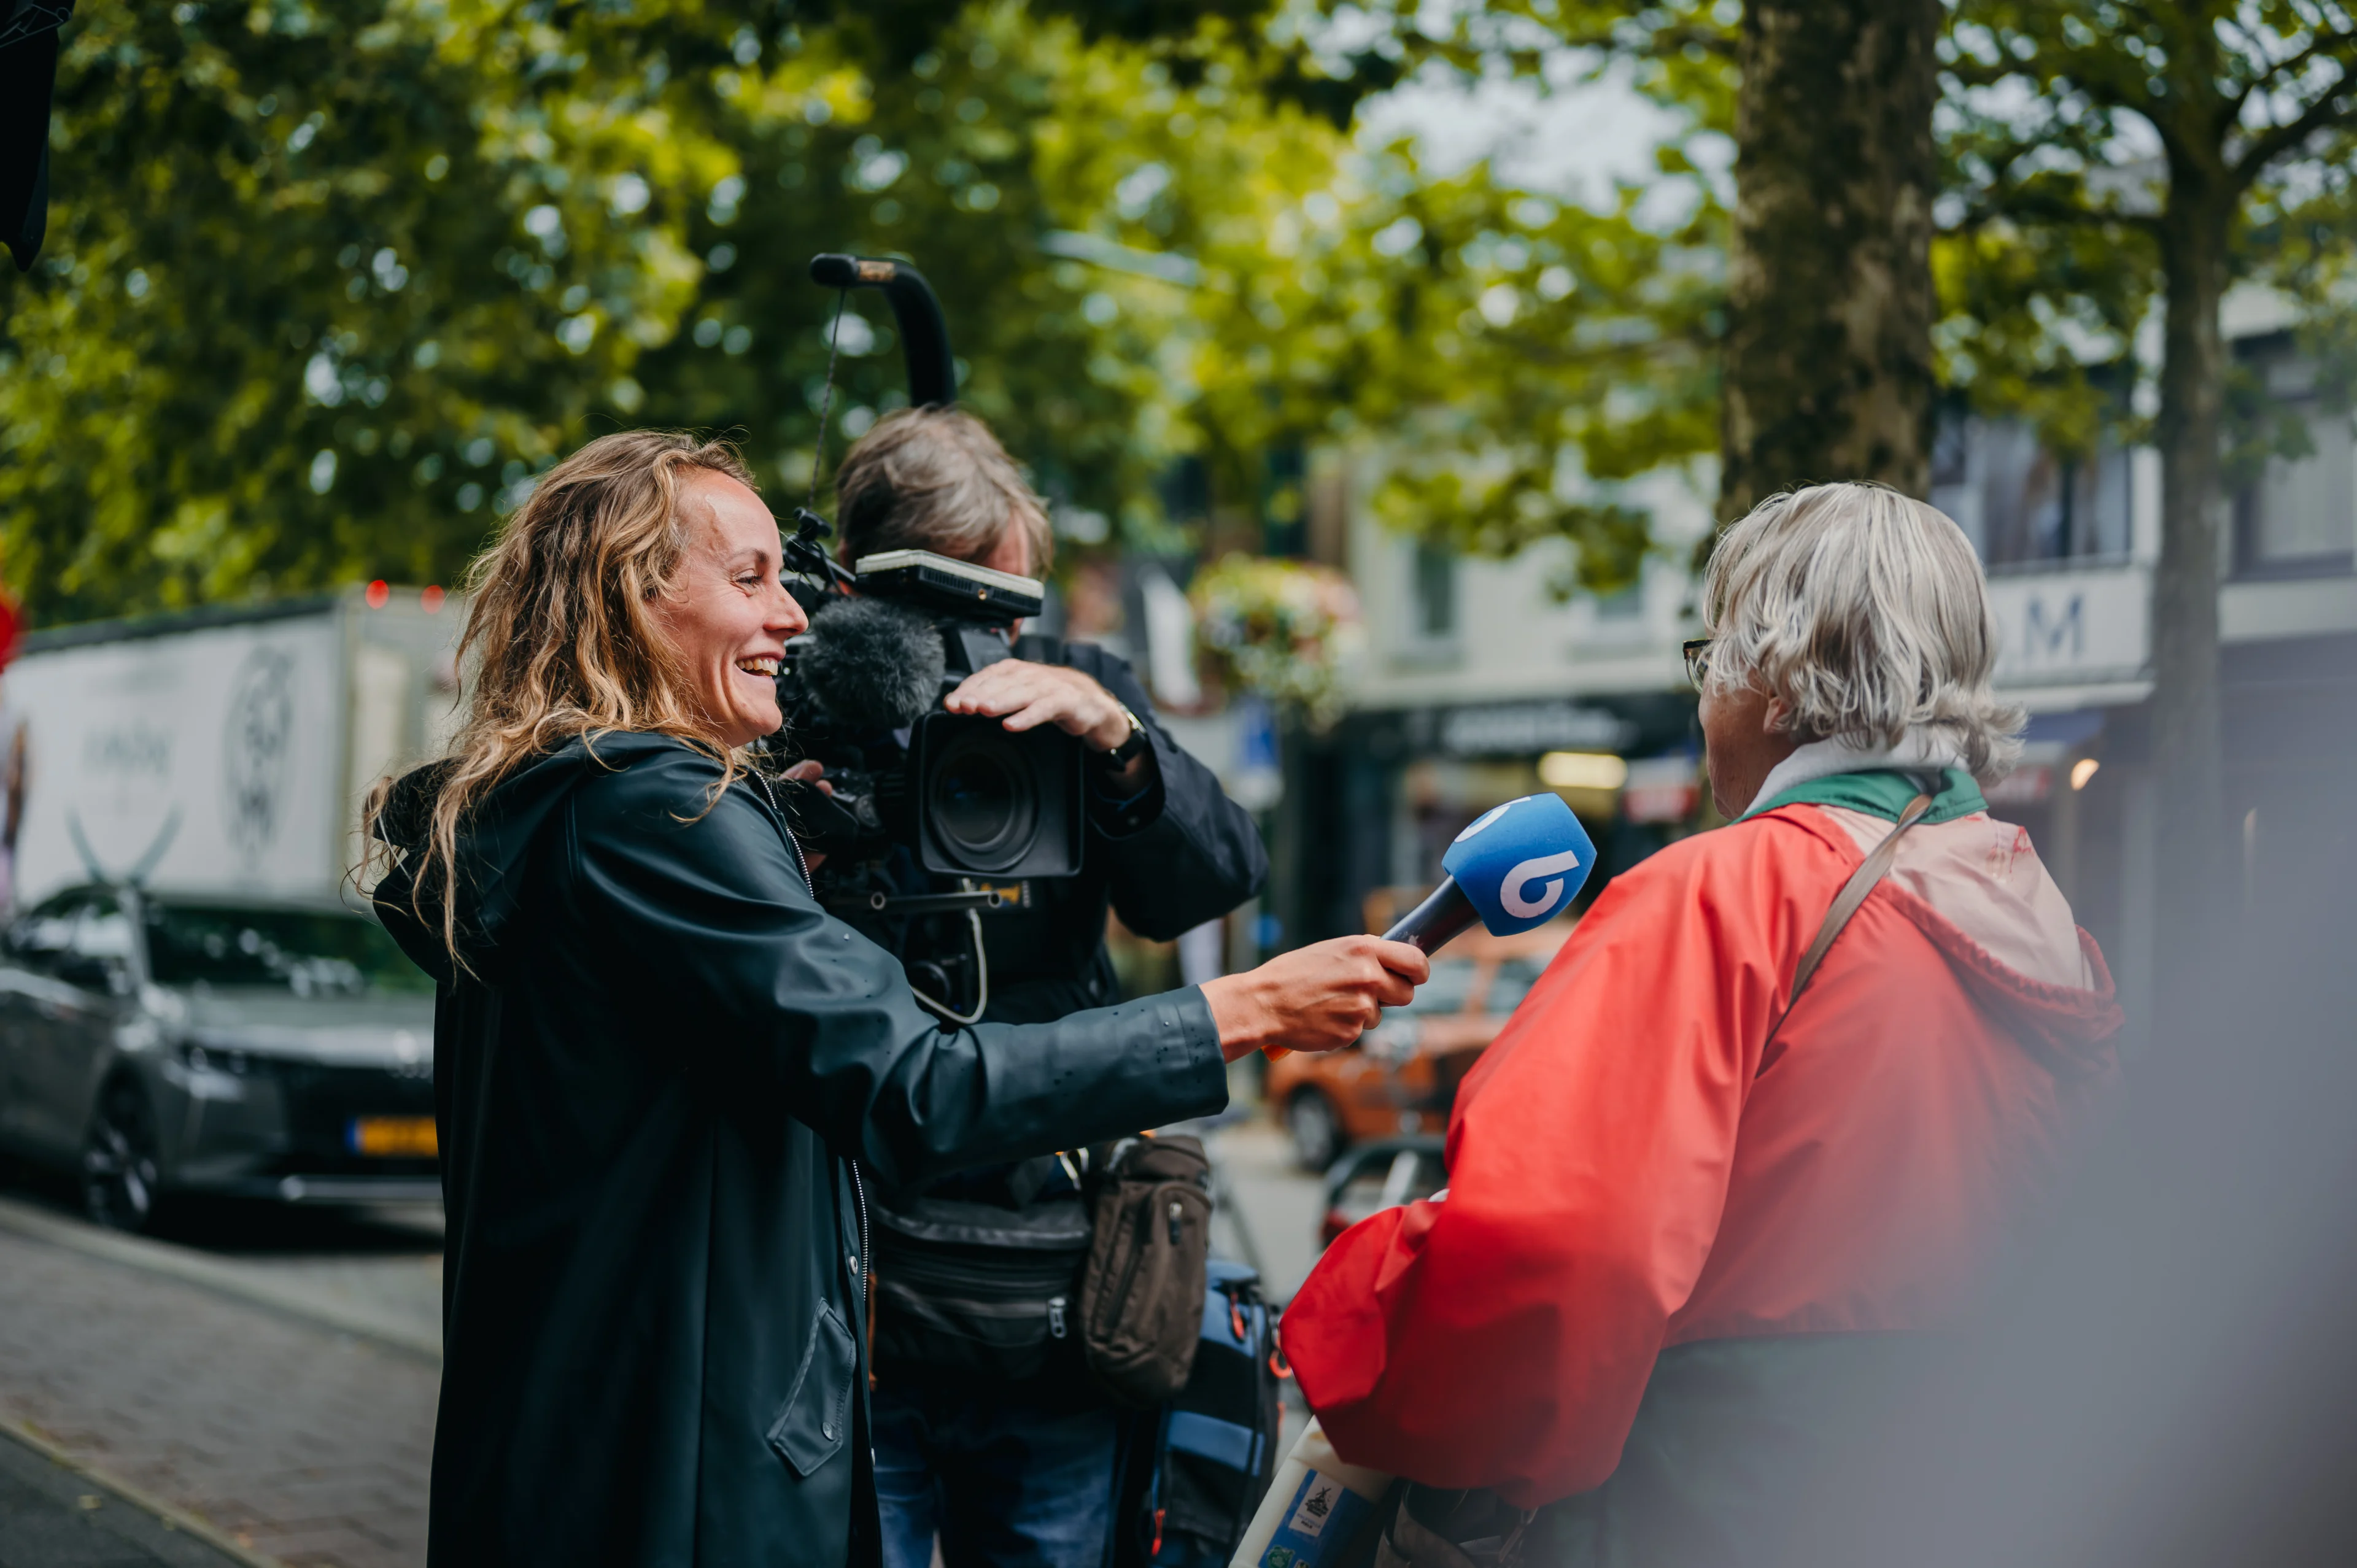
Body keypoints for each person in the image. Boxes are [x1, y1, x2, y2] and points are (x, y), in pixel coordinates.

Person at [363, 430, 1428, 1568]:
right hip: (675, 1475)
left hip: (592, 1446)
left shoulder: (559, 803)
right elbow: (917, 1084)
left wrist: (785, 867)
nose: (793, 619)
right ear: (631, 595)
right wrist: (1242, 1010)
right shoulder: (657, 809)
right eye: (750, 578)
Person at [1280, 482, 2124, 1566]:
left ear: (1772, 681)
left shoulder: (1721, 893)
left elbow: (1550, 1248)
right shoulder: (2048, 921)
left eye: (1710, 657)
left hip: (1715, 1496)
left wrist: (1359, 1323)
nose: (1703, 700)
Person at [805, 406, 1266, 1568]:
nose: (985, 646)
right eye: (957, 609)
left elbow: (1210, 880)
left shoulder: (1078, 685)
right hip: (858, 1278)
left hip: (1059, 1283)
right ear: (866, 586)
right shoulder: (818, 685)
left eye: (1014, 610)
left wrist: (1117, 741)